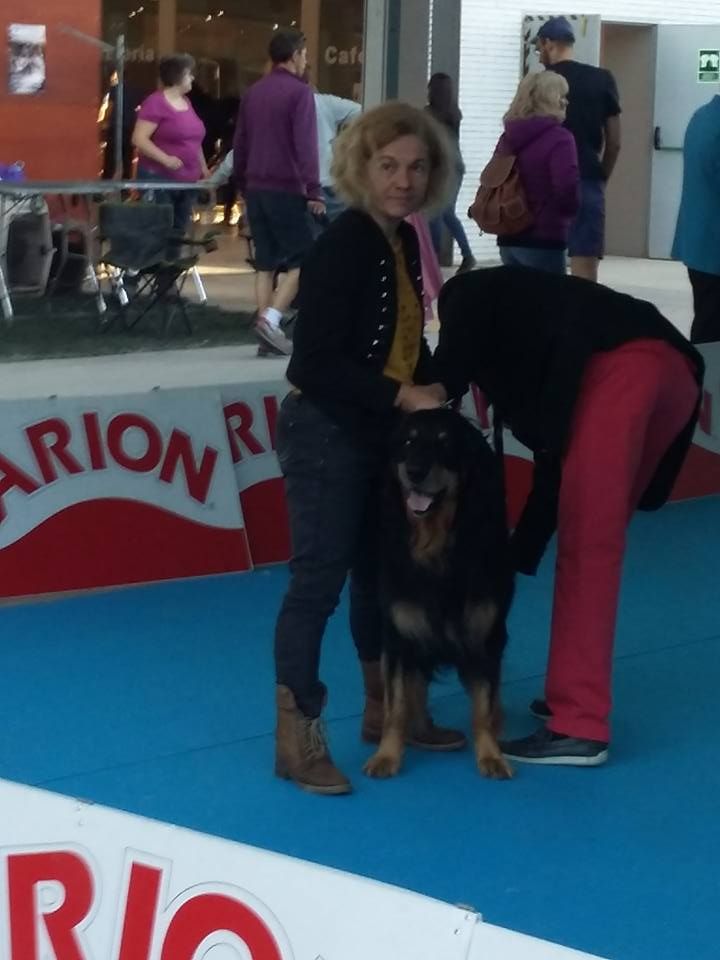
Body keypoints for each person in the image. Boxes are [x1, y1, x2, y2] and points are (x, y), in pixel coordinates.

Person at [435, 267, 704, 765]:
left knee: (588, 554)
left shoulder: (466, 296)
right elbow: (553, 464)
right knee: (591, 544)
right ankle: (570, 691)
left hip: (622, 376)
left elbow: (443, 378)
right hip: (677, 377)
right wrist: (515, 557)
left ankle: (579, 721)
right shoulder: (535, 311)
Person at [273, 101, 464, 796]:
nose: (404, 181)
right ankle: (298, 739)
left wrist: (440, 379)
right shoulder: (343, 244)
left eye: (417, 167)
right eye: (389, 166)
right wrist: (401, 396)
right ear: (361, 167)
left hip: (371, 434)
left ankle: (389, 712)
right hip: (325, 432)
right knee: (316, 585)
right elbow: (310, 364)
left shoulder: (406, 240)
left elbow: (404, 339)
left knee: (377, 580)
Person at [233, 29, 324, 357]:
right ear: (295, 55)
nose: (306, 61)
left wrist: (241, 184)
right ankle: (270, 321)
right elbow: (305, 145)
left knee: (266, 262)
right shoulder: (300, 93)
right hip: (286, 186)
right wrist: (313, 189)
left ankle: (264, 329)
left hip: (255, 186)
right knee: (304, 260)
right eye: (305, 54)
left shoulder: (253, 93)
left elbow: (240, 142)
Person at [536, 16, 621, 282]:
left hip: (545, 185)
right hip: (587, 179)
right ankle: (582, 321)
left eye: (539, 47)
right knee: (585, 271)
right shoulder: (602, 79)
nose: (538, 54)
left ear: (549, 43)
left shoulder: (539, 85)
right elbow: (615, 142)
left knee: (543, 272)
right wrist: (599, 177)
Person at [494, 71, 579, 275]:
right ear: (550, 99)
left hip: (508, 235)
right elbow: (566, 187)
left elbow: (494, 177)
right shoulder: (560, 139)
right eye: (562, 96)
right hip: (545, 236)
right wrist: (569, 214)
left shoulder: (508, 136)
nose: (565, 102)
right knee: (548, 304)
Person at [132, 54, 208, 236]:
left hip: (186, 181)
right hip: (160, 178)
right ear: (178, 76)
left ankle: (172, 263)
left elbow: (194, 140)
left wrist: (204, 169)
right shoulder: (155, 103)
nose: (192, 78)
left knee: (178, 232)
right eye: (189, 74)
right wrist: (165, 159)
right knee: (159, 231)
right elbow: (139, 139)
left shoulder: (187, 103)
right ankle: (156, 264)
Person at [672, 94, 720, 344]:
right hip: (714, 246)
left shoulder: (702, 117)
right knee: (712, 331)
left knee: (707, 323)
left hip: (700, 243)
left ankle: (706, 380)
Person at [426, 73, 476, 274]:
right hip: (456, 166)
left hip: (440, 167)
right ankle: (465, 254)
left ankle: (434, 258)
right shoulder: (454, 113)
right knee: (446, 213)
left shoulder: (429, 114)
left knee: (438, 214)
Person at [313, 90, 361, 221]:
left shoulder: (323, 102)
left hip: (303, 186)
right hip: (328, 181)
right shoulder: (323, 102)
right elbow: (361, 111)